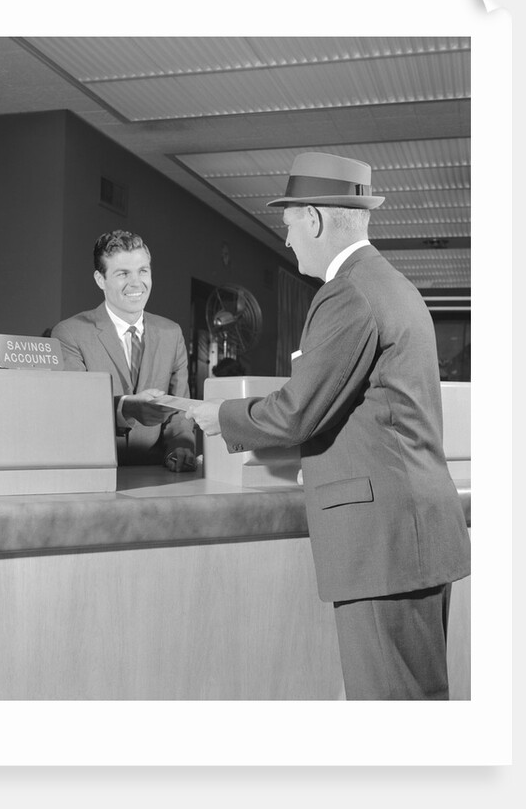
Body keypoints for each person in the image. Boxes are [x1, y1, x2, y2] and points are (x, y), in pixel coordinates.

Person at [187, 152, 471, 700]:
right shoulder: (394, 286)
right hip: (411, 534)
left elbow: (298, 409)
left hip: (384, 543)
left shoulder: (348, 294)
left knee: (391, 716)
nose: (288, 239)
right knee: (416, 704)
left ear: (314, 218)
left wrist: (216, 415)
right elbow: (375, 412)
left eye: (289, 224)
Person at [52, 229, 196, 471]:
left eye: (143, 271)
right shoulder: (69, 333)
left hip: (158, 477)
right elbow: (74, 409)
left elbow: (179, 409)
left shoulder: (171, 333)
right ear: (100, 280)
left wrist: (181, 446)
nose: (136, 283)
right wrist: (126, 407)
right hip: (94, 473)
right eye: (123, 274)